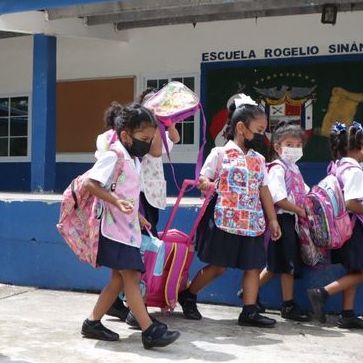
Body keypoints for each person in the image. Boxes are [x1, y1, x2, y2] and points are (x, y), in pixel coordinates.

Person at [81, 101, 180, 349]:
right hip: (113, 230)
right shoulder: (113, 155)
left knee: (118, 279)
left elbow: (126, 192)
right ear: (126, 135)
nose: (148, 143)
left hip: (126, 228)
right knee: (132, 276)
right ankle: (149, 330)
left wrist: (138, 216)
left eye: (151, 138)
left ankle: (92, 323)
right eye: (144, 137)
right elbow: (90, 183)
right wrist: (116, 201)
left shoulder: (133, 158)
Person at [176, 94, 282, 327]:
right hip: (225, 217)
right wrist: (204, 182)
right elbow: (204, 177)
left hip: (252, 220)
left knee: (253, 266)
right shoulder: (220, 154)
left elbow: (263, 189)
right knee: (218, 266)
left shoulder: (259, 159)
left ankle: (249, 311)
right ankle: (188, 294)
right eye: (259, 130)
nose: (262, 135)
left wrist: (272, 218)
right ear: (241, 128)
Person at [102, 88, 180, 326]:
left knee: (131, 263)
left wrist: (165, 121)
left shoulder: (155, 131)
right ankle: (140, 315)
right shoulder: (126, 142)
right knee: (133, 263)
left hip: (147, 197)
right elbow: (155, 150)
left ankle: (107, 311)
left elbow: (168, 142)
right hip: (130, 205)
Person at [307, 121, 363, 329]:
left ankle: (348, 314)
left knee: (353, 270)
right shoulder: (355, 171)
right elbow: (352, 204)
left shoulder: (337, 166)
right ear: (360, 145)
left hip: (343, 229)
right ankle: (322, 293)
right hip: (354, 229)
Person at [250, 121, 312, 322]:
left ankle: (249, 293)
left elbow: (306, 191)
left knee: (278, 265)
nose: (294, 149)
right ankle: (287, 305)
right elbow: (279, 199)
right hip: (283, 220)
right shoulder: (277, 169)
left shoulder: (293, 168)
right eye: (289, 144)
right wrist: (300, 211)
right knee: (287, 265)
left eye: (298, 145)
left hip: (291, 220)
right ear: (277, 147)